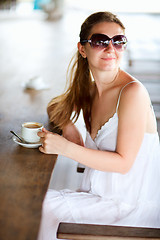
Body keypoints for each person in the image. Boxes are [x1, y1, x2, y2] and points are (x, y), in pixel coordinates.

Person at [37, 11, 160, 240]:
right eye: (100, 41)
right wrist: (69, 126)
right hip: (98, 196)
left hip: (127, 207)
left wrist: (64, 147)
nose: (110, 48)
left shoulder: (132, 92)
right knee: (35, 203)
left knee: (38, 207)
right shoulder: (92, 91)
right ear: (82, 49)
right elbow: (55, 106)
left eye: (118, 41)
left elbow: (124, 164)